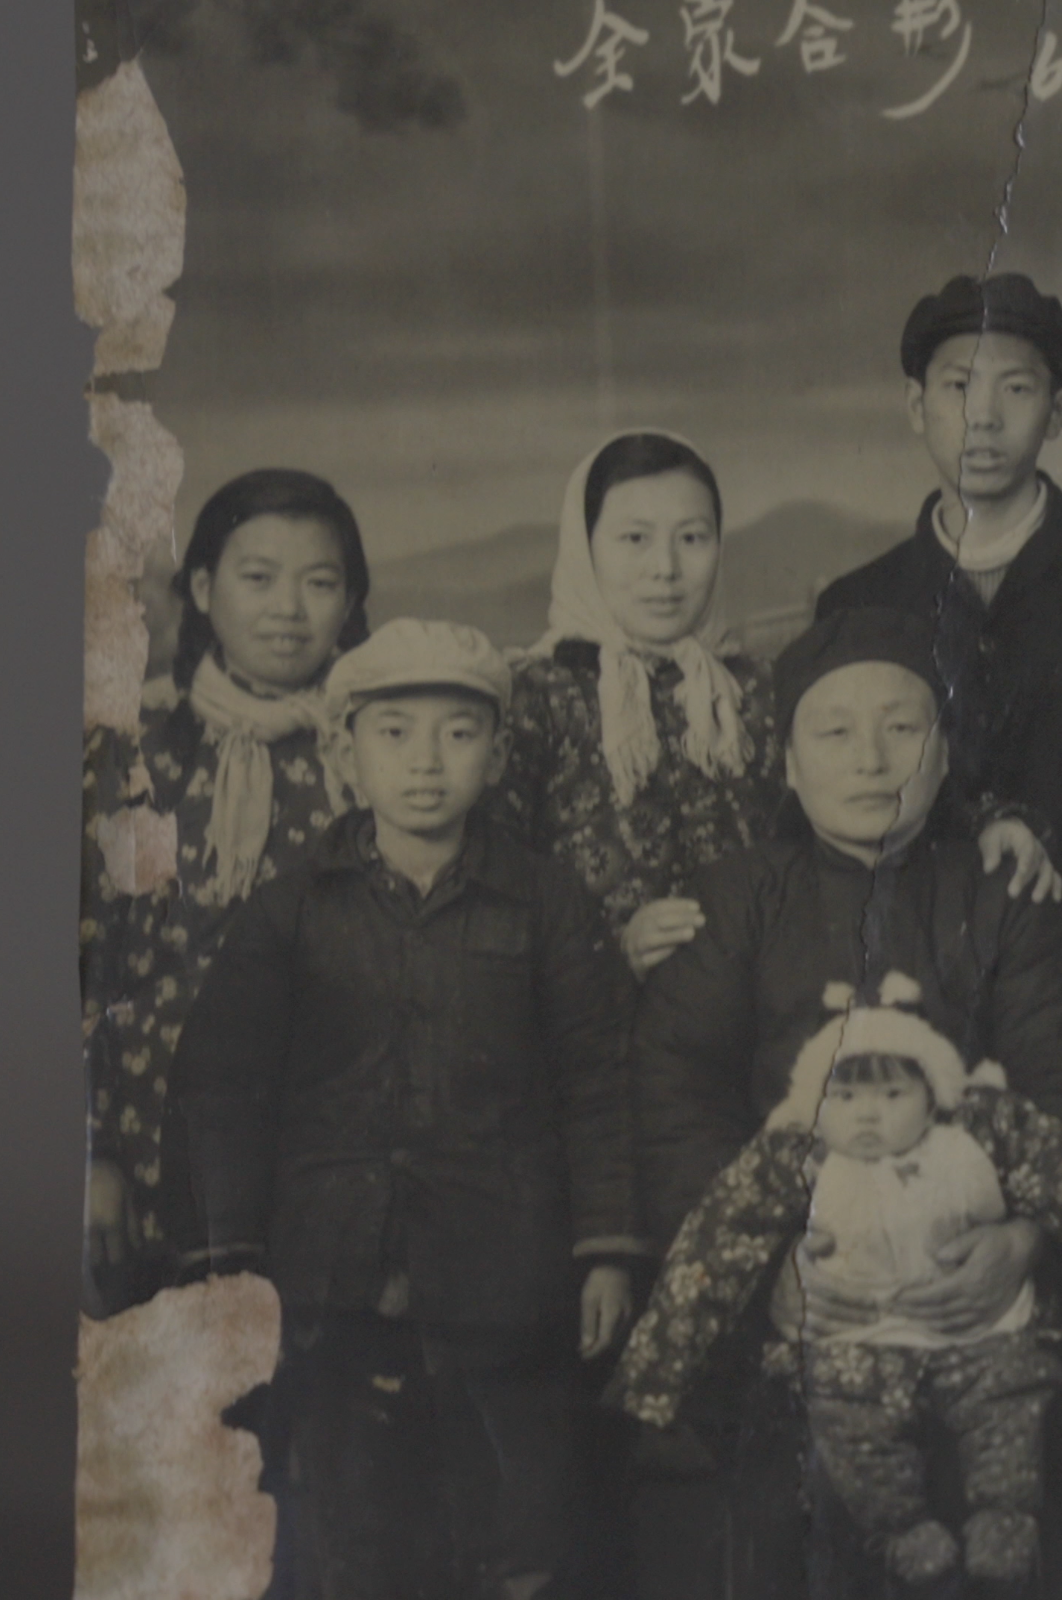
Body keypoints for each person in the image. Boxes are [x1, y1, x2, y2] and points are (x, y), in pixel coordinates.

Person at [630, 605, 1062, 1599]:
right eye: (833, 732)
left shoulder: (1001, 898)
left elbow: (1057, 1085)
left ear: (944, 755)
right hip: (796, 1285)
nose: (870, 758)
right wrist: (766, 1270)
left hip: (976, 1284)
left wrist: (1024, 1240)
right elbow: (679, 1096)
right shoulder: (733, 897)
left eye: (902, 726)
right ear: (789, 765)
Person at [174, 619, 642, 1600]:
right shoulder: (294, 904)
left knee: (518, 1532)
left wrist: (604, 1247)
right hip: (332, 1279)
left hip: (505, 1275)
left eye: (458, 732)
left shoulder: (547, 902)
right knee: (354, 1535)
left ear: (500, 752)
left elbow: (597, 1077)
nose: (425, 761)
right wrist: (227, 1258)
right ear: (345, 752)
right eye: (393, 732)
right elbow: (227, 1083)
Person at [615, 978, 1062, 1594]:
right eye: (845, 1095)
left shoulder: (982, 1127)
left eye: (892, 1093)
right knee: (845, 1428)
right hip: (854, 1342)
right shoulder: (797, 1152)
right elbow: (714, 1242)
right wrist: (658, 1371)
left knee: (1011, 1408)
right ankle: (900, 1531)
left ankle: (1003, 1521)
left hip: (979, 1334)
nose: (868, 1113)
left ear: (932, 1091)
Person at [814, 272, 1062, 942]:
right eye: (958, 387)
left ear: (1059, 411)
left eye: (1018, 388)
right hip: (914, 960)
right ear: (916, 406)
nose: (985, 417)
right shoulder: (858, 603)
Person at [81, 467, 372, 1317]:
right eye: (259, 577)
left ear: (350, 600)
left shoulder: (378, 759)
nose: (289, 608)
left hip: (331, 1152)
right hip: (153, 1156)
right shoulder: (128, 758)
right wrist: (90, 1155)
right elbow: (80, 968)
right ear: (203, 588)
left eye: (320, 583)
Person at [491, 430, 784, 977]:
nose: (666, 569)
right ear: (584, 545)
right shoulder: (533, 697)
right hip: (592, 1023)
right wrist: (615, 950)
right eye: (634, 539)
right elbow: (497, 897)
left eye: (693, 538)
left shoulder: (758, 690)